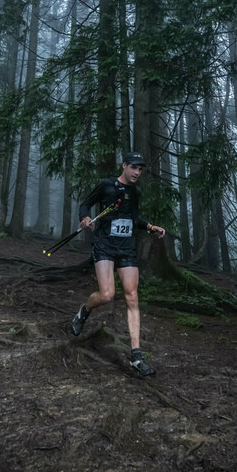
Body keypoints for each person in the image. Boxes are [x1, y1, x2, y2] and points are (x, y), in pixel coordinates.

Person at [69, 151, 166, 376]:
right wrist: (84, 219)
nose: (137, 172)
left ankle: (136, 354)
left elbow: (134, 219)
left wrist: (151, 227)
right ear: (124, 166)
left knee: (132, 296)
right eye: (134, 167)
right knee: (107, 295)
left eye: (140, 169)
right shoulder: (106, 185)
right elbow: (85, 204)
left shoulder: (136, 192)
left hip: (126, 249)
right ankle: (84, 310)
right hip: (104, 245)